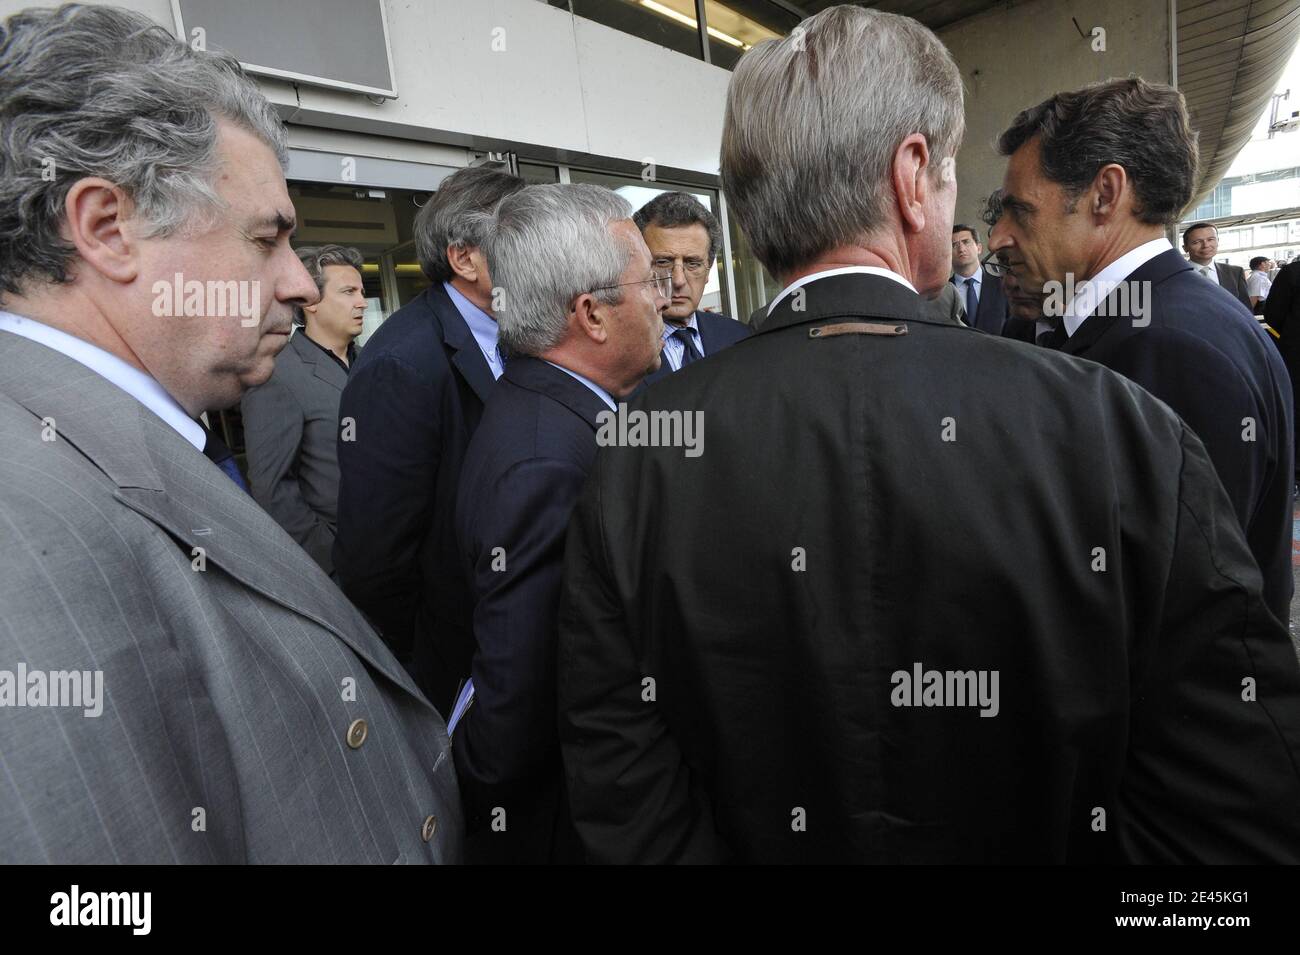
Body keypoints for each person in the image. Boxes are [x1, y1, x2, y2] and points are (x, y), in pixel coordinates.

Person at [556, 5, 1300, 864]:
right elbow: (1232, 809)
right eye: (950, 173)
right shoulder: (1116, 428)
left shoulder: (637, 454)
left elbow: (624, 800)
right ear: (913, 177)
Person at [0, 3, 461, 863]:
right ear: (108, 228)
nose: (297, 281)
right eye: (268, 238)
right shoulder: (21, 531)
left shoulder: (129, 439)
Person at [989, 77, 1294, 625]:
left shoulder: (1171, 348)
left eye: (1020, 211)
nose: (998, 237)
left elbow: (1171, 602)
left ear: (1105, 194)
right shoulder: (1158, 319)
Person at [452, 184, 667, 862]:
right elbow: (519, 701)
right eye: (648, 281)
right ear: (592, 315)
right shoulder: (547, 461)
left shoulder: (556, 411)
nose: (664, 297)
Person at [334, 165, 526, 714]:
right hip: (457, 661)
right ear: (466, 258)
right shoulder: (401, 364)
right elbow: (376, 559)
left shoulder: (525, 330)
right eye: (523, 237)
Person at [241, 244, 365, 573]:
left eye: (362, 291)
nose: (362, 302)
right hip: (343, 565)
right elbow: (271, 487)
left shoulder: (374, 362)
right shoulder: (277, 374)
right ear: (311, 301)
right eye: (348, 291)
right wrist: (330, 560)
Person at [634, 191, 749, 385]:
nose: (678, 280)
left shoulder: (741, 338)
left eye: (692, 263)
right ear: (638, 265)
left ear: (709, 269)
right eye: (663, 262)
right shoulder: (618, 350)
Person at [950, 223, 1010, 334]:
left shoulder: (1003, 283)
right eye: (954, 245)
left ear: (979, 248)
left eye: (966, 242)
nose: (961, 249)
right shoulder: (942, 292)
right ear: (947, 253)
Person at [1183, 222, 1252, 309]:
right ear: (1185, 247)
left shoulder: (1235, 272)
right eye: (1197, 242)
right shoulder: (1176, 276)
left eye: (1210, 239)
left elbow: (1245, 309)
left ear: (1217, 241)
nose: (1206, 245)